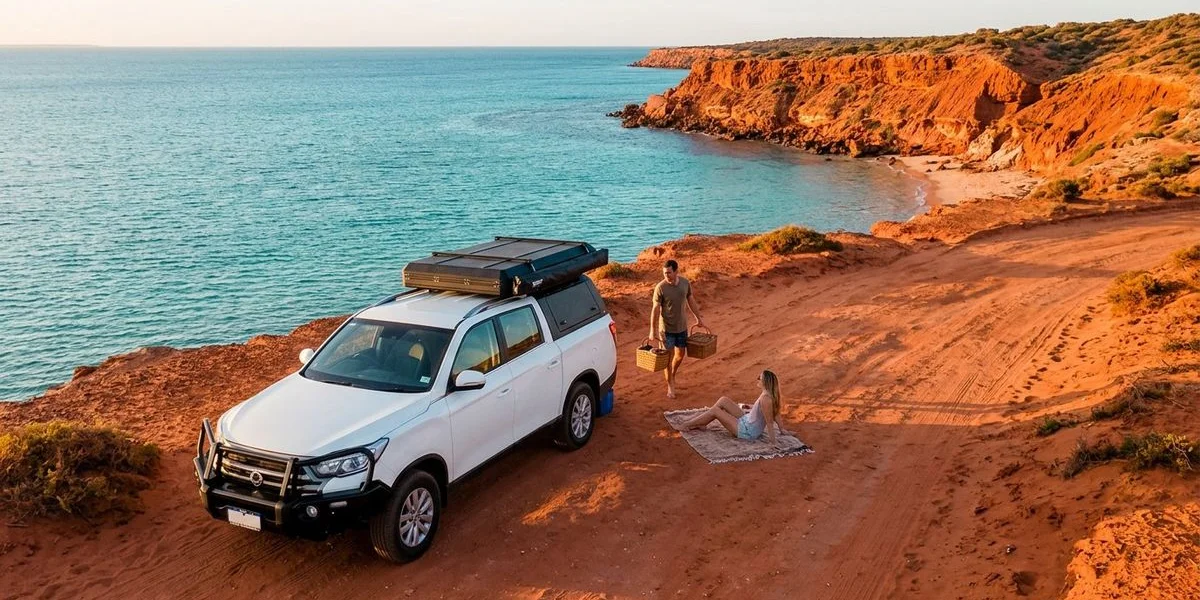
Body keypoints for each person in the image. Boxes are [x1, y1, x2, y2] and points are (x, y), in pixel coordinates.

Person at [676, 370, 787, 447]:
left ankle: (687, 424)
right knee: (723, 400)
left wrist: (773, 443)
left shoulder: (766, 399)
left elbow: (770, 422)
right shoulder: (768, 394)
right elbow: (775, 412)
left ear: (765, 382)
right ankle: (702, 423)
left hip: (747, 431)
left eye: (759, 378)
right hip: (747, 421)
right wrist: (782, 430)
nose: (757, 379)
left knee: (715, 410)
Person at [649, 259, 703, 399]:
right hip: (666, 329)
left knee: (680, 355)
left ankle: (672, 374)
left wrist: (698, 318)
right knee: (668, 358)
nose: (666, 276)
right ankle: (670, 385)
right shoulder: (660, 287)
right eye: (664, 273)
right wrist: (652, 330)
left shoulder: (685, 283)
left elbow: (691, 300)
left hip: (681, 327)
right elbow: (655, 309)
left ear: (676, 271)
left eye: (669, 273)